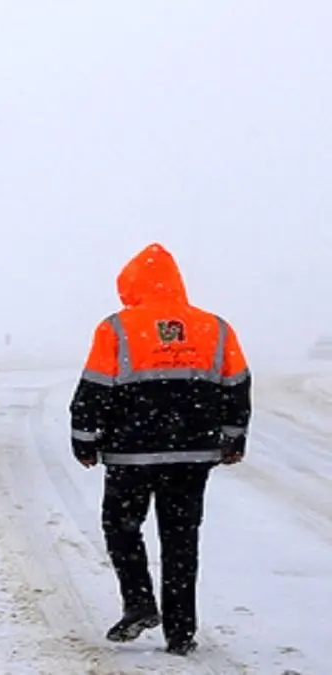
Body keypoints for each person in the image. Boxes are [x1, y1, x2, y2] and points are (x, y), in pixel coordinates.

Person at [69, 242, 251, 657]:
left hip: (130, 455)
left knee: (122, 527)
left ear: (131, 284)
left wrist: (84, 439)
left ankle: (138, 602)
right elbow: (237, 386)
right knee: (182, 538)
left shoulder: (116, 328)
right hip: (192, 455)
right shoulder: (215, 327)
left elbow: (93, 389)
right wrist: (233, 438)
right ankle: (181, 632)